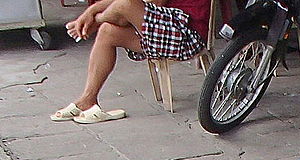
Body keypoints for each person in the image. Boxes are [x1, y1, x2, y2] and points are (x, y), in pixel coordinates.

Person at [51, 0, 209, 124]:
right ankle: (87, 100)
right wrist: (91, 11)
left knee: (125, 6)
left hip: (186, 36)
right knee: (107, 32)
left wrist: (96, 18)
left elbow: (152, 3)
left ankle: (93, 25)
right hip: (165, 32)